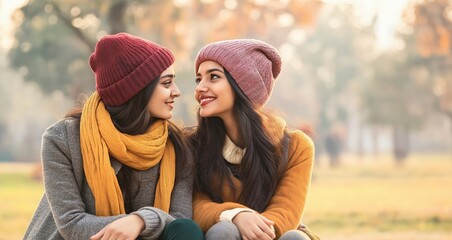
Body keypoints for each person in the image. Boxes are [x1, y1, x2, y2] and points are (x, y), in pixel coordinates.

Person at [24, 33, 203, 240]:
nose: (177, 91)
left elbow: (179, 221)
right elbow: (72, 224)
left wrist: (141, 220)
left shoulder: (178, 147)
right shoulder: (62, 138)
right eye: (166, 83)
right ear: (136, 89)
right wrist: (131, 224)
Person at [190, 39, 315, 240]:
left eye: (213, 77)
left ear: (243, 85)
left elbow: (286, 212)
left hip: (273, 235)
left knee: (296, 238)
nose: (199, 88)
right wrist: (236, 215)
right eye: (198, 79)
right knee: (225, 230)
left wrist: (254, 226)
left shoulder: (295, 146)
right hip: (222, 233)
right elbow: (195, 205)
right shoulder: (194, 145)